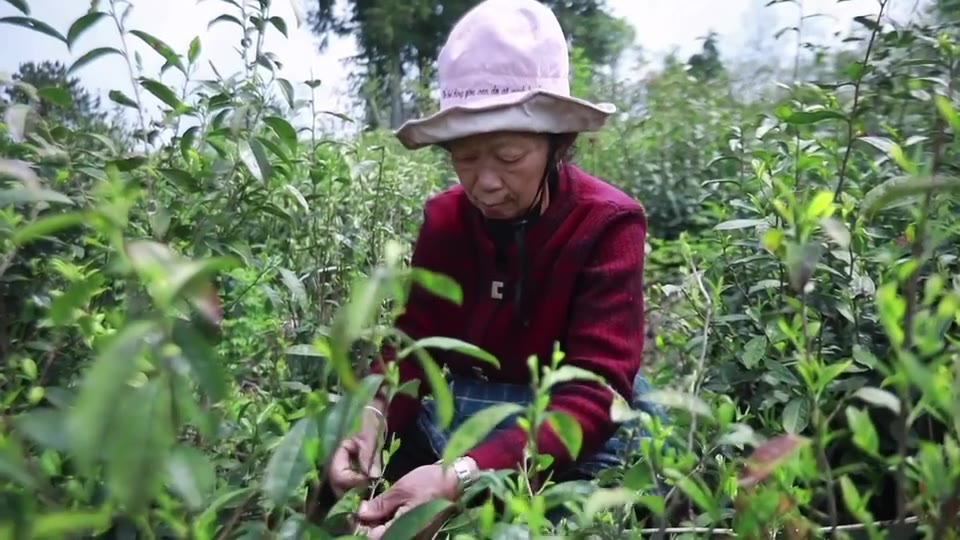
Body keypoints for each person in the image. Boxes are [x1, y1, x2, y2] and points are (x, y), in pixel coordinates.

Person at [315, 0, 664, 537]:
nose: (485, 183)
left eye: (508, 157)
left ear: (556, 144)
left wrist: (460, 475)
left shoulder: (607, 223)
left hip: (563, 425)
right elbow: (415, 348)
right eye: (465, 157)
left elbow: (595, 390)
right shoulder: (447, 221)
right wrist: (373, 420)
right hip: (467, 410)